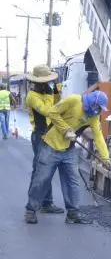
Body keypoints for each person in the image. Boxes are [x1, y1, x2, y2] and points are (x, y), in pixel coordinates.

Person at [25, 90, 111, 225]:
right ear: (93, 103)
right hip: (50, 146)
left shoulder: (93, 117)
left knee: (72, 181)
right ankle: (30, 210)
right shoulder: (74, 100)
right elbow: (52, 112)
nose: (99, 111)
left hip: (69, 150)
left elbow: (98, 137)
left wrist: (106, 158)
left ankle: (73, 213)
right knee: (42, 179)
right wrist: (66, 129)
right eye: (98, 107)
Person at [25, 64, 64, 214]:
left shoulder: (49, 91)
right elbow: (48, 111)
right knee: (39, 171)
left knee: (47, 170)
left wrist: (56, 92)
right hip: (40, 135)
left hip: (51, 134)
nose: (48, 84)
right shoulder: (32, 96)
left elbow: (58, 103)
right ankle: (33, 205)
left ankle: (47, 203)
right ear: (38, 83)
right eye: (46, 82)